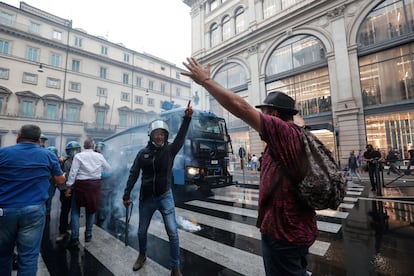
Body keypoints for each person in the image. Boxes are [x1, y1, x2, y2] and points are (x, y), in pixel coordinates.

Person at [182, 57, 318, 275]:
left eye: (263, 112)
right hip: (295, 229)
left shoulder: (284, 133)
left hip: (284, 233)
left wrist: (206, 81)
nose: (260, 116)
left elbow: (239, 106)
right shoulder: (295, 135)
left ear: (273, 115)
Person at [122, 101, 193, 276]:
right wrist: (126, 195)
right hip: (145, 198)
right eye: (156, 134)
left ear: (165, 136)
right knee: (141, 231)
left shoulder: (170, 150)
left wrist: (187, 119)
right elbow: (133, 174)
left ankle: (175, 267)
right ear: (151, 135)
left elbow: (181, 137)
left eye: (162, 134)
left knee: (173, 233)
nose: (159, 137)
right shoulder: (142, 154)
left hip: (164, 196)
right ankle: (142, 255)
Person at [0, 124, 65, 276]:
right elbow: (60, 180)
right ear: (38, 139)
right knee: (28, 257)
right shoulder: (48, 155)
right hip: (34, 210)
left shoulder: (3, 153)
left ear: (19, 135)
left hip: (5, 210)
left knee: (3, 254)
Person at [65, 139, 111, 248]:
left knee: (75, 211)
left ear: (84, 146)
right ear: (93, 146)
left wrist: (69, 186)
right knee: (91, 210)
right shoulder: (99, 156)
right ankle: (88, 235)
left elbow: (73, 172)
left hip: (81, 185)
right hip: (94, 185)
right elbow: (108, 168)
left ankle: (75, 237)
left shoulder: (78, 156)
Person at [55, 141, 82, 242]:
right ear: (68, 151)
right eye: (72, 150)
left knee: (75, 211)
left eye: (76, 149)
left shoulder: (80, 160)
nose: (74, 152)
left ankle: (72, 228)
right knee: (65, 211)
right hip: (66, 190)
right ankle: (62, 231)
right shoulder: (65, 162)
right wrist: (65, 189)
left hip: (76, 189)